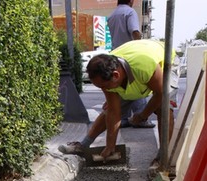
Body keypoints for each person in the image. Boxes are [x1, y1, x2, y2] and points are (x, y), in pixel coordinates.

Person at [58, 39, 180, 169]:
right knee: (109, 109)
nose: (103, 89)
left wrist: (143, 116)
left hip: (165, 61)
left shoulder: (144, 67)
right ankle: (83, 145)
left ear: (116, 75)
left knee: (165, 108)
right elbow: (113, 112)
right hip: (135, 69)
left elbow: (160, 94)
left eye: (104, 86)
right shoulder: (108, 74)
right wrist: (110, 145)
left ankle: (162, 159)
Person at [107, 0, 155, 128]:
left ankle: (123, 118)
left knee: (122, 86)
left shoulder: (112, 15)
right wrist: (140, 45)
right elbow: (134, 31)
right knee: (137, 85)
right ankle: (141, 117)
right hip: (130, 55)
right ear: (131, 1)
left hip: (116, 55)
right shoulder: (129, 12)